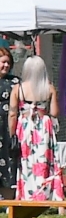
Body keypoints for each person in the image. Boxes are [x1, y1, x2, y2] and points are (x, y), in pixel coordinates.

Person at [10, 56, 62, 202]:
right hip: (43, 127)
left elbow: (12, 114)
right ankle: (45, 193)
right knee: (45, 160)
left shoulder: (18, 88)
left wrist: (12, 133)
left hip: (25, 127)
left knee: (25, 161)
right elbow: (54, 113)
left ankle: (27, 195)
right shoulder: (49, 88)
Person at [0, 50, 18, 196]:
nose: (6, 65)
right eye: (3, 62)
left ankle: (8, 200)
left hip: (8, 129)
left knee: (8, 163)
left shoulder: (15, 82)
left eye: (8, 62)